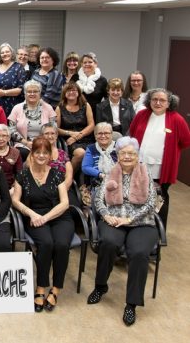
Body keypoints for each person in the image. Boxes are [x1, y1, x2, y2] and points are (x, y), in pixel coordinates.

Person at [88, 137, 159, 326]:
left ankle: (131, 304)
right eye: (123, 153)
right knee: (109, 244)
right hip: (113, 219)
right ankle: (100, 286)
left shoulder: (146, 173)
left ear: (137, 156)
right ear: (117, 155)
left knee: (139, 253)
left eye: (131, 153)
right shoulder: (111, 172)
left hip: (141, 222)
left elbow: (152, 202)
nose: (127, 156)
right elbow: (98, 200)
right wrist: (105, 215)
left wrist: (130, 219)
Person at [12, 136, 73, 313]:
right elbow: (15, 200)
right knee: (46, 244)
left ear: (49, 156)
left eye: (45, 153)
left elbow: (64, 203)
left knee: (61, 245)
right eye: (37, 152)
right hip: (34, 216)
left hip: (59, 216)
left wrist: (45, 217)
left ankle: (56, 289)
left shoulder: (57, 174)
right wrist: (31, 214)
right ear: (32, 154)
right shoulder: (22, 174)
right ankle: (41, 287)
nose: (41, 156)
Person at [129, 88, 190, 229]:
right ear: (149, 101)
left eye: (162, 100)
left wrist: (171, 151)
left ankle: (158, 229)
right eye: (154, 99)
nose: (158, 102)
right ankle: (138, 224)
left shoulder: (176, 119)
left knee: (160, 196)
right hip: (140, 163)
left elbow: (186, 141)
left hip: (162, 167)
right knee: (138, 192)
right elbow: (132, 132)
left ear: (169, 103)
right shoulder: (142, 115)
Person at [8, 80, 57, 161]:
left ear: (40, 93)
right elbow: (11, 129)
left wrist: (42, 142)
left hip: (45, 143)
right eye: (29, 91)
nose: (32, 94)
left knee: (42, 153)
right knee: (23, 153)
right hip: (23, 144)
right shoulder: (17, 108)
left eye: (35, 91)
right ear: (25, 93)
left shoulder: (48, 108)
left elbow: (54, 128)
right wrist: (25, 142)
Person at [56, 81, 95, 172]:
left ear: (78, 92)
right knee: (80, 154)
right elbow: (56, 129)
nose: (71, 92)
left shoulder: (86, 105)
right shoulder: (60, 107)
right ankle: (68, 178)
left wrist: (78, 136)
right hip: (69, 141)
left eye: (74, 90)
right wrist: (70, 133)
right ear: (64, 94)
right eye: (68, 91)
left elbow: (91, 125)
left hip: (86, 137)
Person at [0, 43, 28, 117]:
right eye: (2, 52)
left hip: (14, 106)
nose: (5, 54)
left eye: (7, 52)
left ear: (12, 53)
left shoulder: (18, 67)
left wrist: (4, 92)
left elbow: (20, 89)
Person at [82, 122, 117, 188]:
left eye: (106, 133)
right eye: (100, 133)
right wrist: (100, 175)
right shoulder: (91, 148)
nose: (103, 136)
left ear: (111, 135)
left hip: (119, 180)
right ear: (95, 136)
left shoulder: (119, 146)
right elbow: (85, 167)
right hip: (99, 182)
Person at [40, 123, 74, 192]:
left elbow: (69, 175)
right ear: (42, 136)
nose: (50, 136)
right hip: (43, 190)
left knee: (73, 203)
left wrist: (62, 190)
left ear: (56, 136)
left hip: (63, 188)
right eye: (46, 134)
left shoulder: (63, 153)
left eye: (52, 133)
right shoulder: (37, 153)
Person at [0, 124, 23, 188]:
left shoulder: (15, 152)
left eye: (4, 136)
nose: (1, 138)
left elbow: (19, 173)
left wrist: (14, 188)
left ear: (9, 138)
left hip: (11, 188)